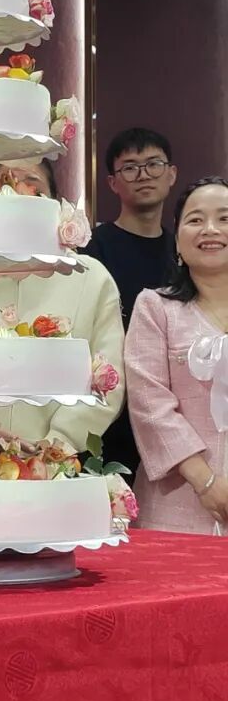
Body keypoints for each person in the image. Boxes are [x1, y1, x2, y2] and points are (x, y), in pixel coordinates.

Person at [0, 159, 125, 456]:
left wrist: (56, 442)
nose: (17, 192)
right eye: (3, 183)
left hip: (59, 464)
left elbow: (109, 377)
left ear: (54, 203)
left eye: (31, 184)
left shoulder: (90, 276)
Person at [124, 176, 228, 534]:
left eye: (224, 218)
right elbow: (149, 404)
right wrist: (206, 482)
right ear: (178, 242)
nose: (210, 229)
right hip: (177, 504)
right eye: (196, 219)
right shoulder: (155, 307)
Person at [88, 127, 178, 474]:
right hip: (112, 410)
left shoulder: (184, 251)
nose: (143, 174)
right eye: (130, 167)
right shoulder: (93, 249)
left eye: (153, 164)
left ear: (171, 174)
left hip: (171, 406)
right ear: (112, 182)